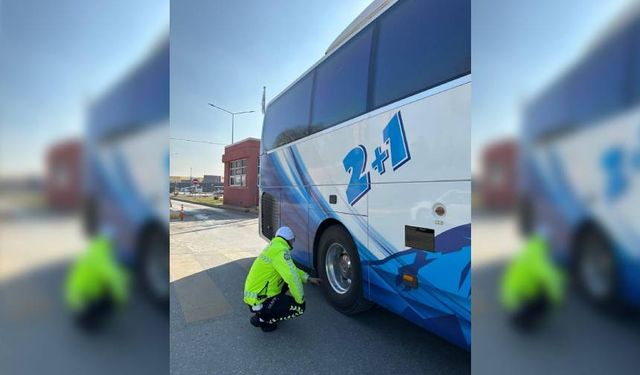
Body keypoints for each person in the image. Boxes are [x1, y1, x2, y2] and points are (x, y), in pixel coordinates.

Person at [243, 226, 321, 331]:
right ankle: (263, 319)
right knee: (299, 309)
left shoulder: (274, 247)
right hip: (259, 299)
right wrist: (300, 300)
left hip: (255, 295)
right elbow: (292, 277)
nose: (293, 244)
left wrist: (308, 278)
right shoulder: (281, 251)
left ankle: (266, 310)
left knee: (284, 280)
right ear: (289, 240)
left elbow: (292, 269)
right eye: (292, 241)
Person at [65, 227, 129, 331]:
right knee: (111, 299)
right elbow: (115, 279)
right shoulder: (103, 259)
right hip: (82, 298)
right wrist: (121, 298)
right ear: (111, 243)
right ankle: (87, 319)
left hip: (74, 294)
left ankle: (82, 315)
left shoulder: (93, 250)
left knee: (103, 286)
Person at [501, 226, 565, 330]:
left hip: (510, 293)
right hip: (517, 298)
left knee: (540, 287)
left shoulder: (529, 250)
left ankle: (519, 315)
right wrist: (557, 299)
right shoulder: (538, 258)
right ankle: (521, 320)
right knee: (546, 301)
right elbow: (550, 278)